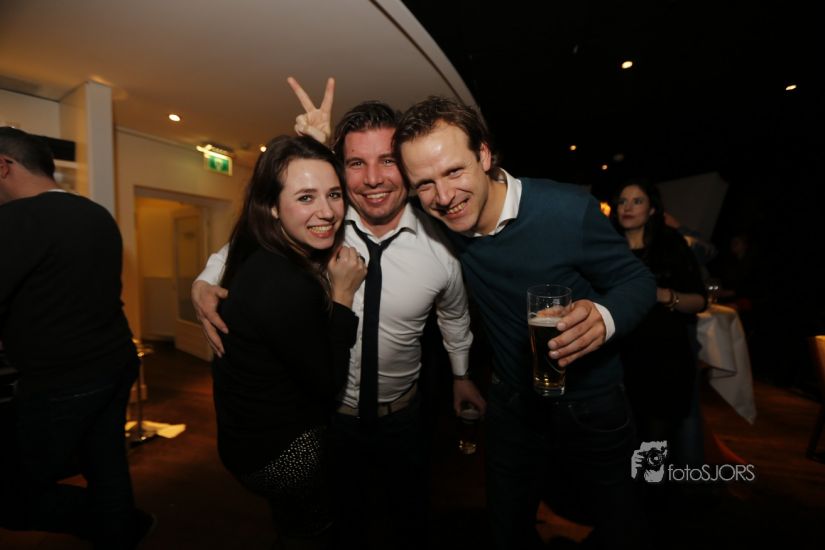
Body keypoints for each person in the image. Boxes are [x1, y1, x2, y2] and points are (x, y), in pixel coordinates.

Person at [193, 79, 485, 549]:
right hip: (330, 421)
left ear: (407, 167)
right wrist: (204, 281)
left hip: (404, 418)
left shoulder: (443, 247)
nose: (372, 179)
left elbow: (454, 318)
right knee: (344, 525)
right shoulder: (319, 225)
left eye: (387, 161)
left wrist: (461, 375)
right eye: (355, 163)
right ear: (342, 170)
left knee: (410, 519)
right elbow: (250, 242)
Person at [393, 97, 657, 549]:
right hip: (513, 403)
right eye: (425, 184)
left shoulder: (566, 210)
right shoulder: (439, 222)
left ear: (483, 155)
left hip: (592, 401)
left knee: (619, 523)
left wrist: (604, 316)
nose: (444, 196)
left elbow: (638, 280)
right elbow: (363, 204)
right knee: (507, 524)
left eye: (454, 171)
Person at [0, 127, 153, 548]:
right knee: (105, 462)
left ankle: (114, 523)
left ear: (4, 166)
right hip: (115, 362)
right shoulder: (95, 213)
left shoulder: (14, 219)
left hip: (63, 378)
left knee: (13, 492)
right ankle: (120, 528)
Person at [211, 135, 366, 549]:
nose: (327, 211)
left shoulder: (259, 255)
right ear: (273, 207)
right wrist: (343, 296)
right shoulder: (285, 284)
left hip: (244, 444)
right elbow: (328, 383)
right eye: (305, 197)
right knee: (314, 532)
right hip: (282, 454)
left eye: (334, 194)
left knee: (292, 522)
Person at [610, 181, 707, 445]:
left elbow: (699, 300)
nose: (627, 208)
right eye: (622, 201)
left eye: (637, 201)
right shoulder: (607, 248)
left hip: (663, 363)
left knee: (651, 449)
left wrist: (663, 295)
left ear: (652, 209)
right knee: (616, 447)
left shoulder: (671, 244)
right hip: (615, 364)